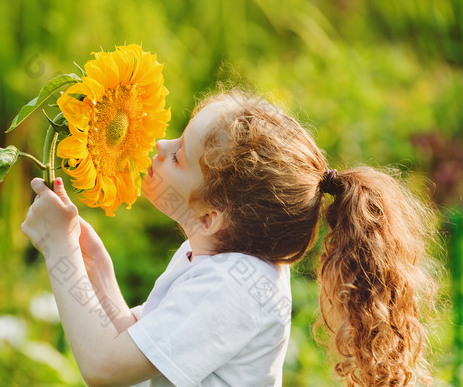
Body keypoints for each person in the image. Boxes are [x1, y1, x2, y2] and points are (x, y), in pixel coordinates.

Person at [22, 90, 437, 386]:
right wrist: (96, 269)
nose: (159, 146)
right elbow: (134, 344)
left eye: (179, 155)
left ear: (210, 217)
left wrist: (58, 248)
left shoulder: (235, 286)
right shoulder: (216, 260)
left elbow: (104, 368)